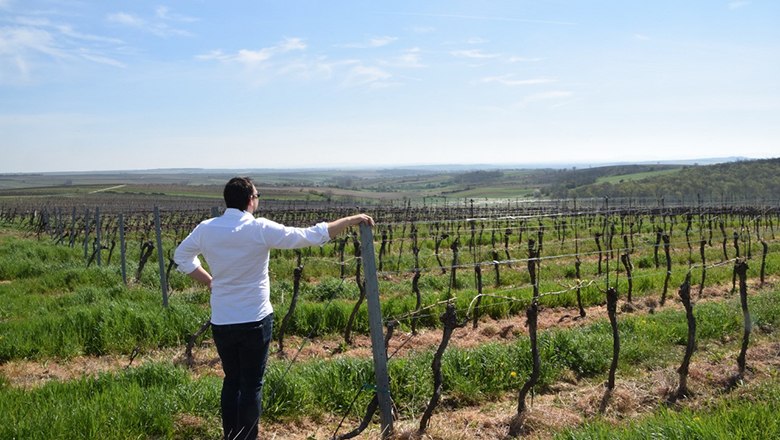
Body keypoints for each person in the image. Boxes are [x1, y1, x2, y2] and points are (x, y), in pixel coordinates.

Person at [173, 176, 374, 440]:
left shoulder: (206, 229)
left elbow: (181, 257)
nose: (257, 200)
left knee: (231, 380)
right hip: (255, 320)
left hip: (222, 320)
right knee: (251, 385)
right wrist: (350, 220)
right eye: (257, 196)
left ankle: (230, 436)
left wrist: (210, 281)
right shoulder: (259, 229)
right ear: (249, 201)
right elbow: (309, 235)